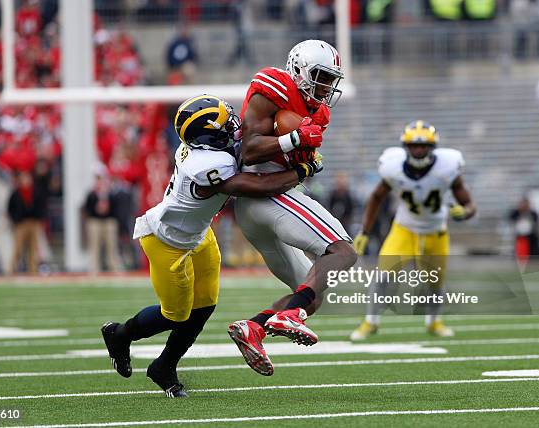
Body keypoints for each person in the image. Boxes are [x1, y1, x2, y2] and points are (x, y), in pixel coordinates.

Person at [100, 95, 323, 398]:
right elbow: (255, 186)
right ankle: (119, 334)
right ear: (208, 134)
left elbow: (245, 144)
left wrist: (289, 137)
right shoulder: (207, 164)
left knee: (203, 307)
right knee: (175, 315)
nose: (232, 124)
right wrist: (301, 166)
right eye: (223, 123)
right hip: (168, 242)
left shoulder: (207, 148)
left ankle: (164, 365)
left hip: (199, 234)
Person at [228, 40, 357, 377]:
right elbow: (250, 151)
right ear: (299, 68)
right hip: (264, 192)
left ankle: (254, 327)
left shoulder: (320, 112)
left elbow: (300, 159)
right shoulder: (275, 85)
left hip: (260, 205)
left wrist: (307, 162)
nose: (326, 87)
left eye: (331, 80)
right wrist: (295, 140)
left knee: (310, 295)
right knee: (343, 252)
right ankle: (287, 316)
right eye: (320, 76)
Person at [350, 121, 476, 340]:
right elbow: (377, 197)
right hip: (404, 229)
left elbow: (469, 204)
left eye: (423, 146)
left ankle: (434, 322)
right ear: (405, 147)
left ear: (432, 147)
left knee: (435, 282)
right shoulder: (393, 167)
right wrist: (365, 231)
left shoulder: (448, 167)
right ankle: (371, 321)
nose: (418, 150)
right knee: (382, 277)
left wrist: (465, 212)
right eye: (413, 146)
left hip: (436, 230)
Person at [83, 170, 123, 274]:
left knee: (112, 246)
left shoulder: (111, 193)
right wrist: (96, 209)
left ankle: (114, 268)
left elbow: (117, 208)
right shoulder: (91, 193)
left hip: (109, 221)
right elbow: (87, 208)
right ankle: (94, 269)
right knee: (94, 246)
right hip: (95, 221)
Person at [7, 171, 43, 274]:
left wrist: (39, 219)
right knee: (17, 248)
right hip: (21, 224)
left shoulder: (36, 192)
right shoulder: (16, 193)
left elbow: (41, 206)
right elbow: (10, 209)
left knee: (33, 248)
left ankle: (33, 270)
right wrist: (15, 220)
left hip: (33, 223)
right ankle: (12, 269)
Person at [510, 196, 539, 262]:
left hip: (531, 235)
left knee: (534, 248)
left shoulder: (532, 213)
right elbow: (511, 218)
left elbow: (536, 221)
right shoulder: (516, 212)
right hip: (520, 235)